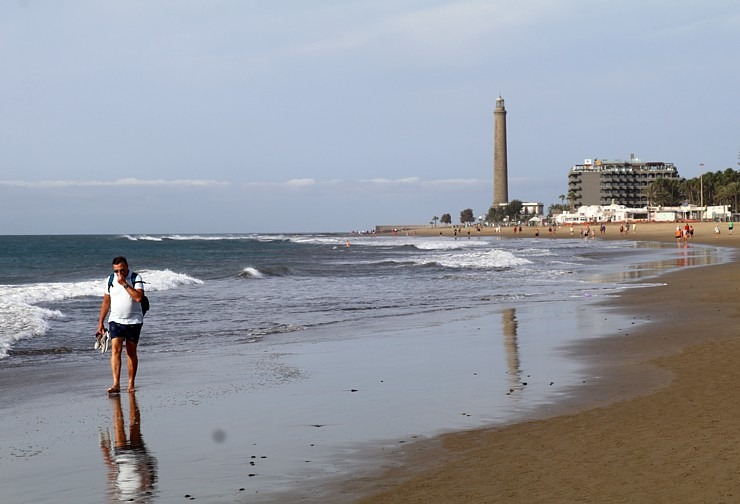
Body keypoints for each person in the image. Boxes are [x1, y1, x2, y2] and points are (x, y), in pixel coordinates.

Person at [97, 256, 145, 394]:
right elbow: (106, 302)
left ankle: (130, 384)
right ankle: (116, 384)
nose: (119, 273)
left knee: (130, 352)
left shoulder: (136, 278)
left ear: (127, 267)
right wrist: (100, 322)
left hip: (134, 321)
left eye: (122, 270)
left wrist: (124, 283)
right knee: (115, 350)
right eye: (116, 271)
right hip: (115, 320)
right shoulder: (110, 280)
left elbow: (138, 297)